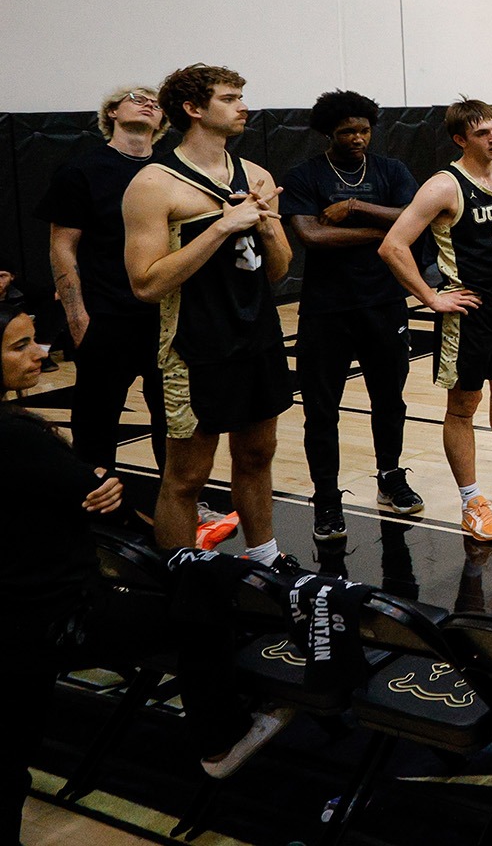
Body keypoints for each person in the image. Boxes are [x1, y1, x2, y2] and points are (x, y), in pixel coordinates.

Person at [123, 64, 294, 562]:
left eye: (242, 96)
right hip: (195, 346)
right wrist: (221, 227)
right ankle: (183, 583)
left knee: (257, 456)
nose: (243, 106)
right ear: (194, 110)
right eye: (229, 98)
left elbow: (280, 270)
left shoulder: (257, 175)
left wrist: (263, 226)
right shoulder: (155, 184)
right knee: (187, 477)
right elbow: (146, 283)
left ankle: (264, 560)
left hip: (257, 337)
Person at [1, 303, 134, 845]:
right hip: (34, 619)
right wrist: (102, 482)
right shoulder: (16, 435)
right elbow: (89, 491)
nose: (41, 353)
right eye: (20, 346)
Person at [379, 98, 492, 542]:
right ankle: (471, 501)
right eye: (482, 134)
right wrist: (431, 297)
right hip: (467, 313)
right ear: (459, 139)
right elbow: (393, 246)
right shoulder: (443, 186)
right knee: (463, 407)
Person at [282, 90, 421, 540]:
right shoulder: (305, 176)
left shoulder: (390, 170)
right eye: (347, 132)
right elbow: (312, 237)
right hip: (327, 310)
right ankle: (325, 497)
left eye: (363, 130)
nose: (357, 138)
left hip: (383, 302)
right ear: (329, 132)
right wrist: (384, 232)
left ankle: (390, 475)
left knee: (390, 399)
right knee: (321, 409)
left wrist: (356, 208)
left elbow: (411, 219)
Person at [36, 86, 168, 482]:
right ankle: (92, 509)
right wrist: (76, 317)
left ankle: (180, 504)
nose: (148, 103)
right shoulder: (82, 170)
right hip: (106, 316)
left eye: (156, 102)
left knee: (173, 420)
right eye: (136, 96)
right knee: (96, 423)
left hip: (164, 317)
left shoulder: (169, 172)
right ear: (111, 112)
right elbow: (62, 246)